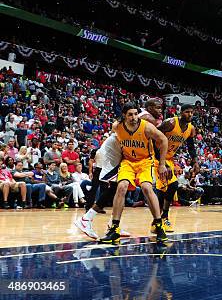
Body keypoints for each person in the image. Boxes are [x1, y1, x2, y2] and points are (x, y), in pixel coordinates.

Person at [76, 100, 163, 239]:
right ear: (150, 108)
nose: (160, 111)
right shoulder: (146, 118)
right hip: (114, 151)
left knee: (119, 188)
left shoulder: (133, 118)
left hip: (120, 150)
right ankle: (86, 219)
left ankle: (112, 224)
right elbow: (157, 140)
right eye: (158, 107)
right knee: (114, 188)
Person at [98, 102, 169, 244]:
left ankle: (159, 224)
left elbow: (164, 139)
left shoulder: (147, 127)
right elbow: (112, 142)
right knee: (122, 186)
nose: (134, 117)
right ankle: (115, 228)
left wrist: (162, 164)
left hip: (145, 161)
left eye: (136, 114)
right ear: (124, 115)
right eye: (130, 114)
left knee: (146, 187)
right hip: (128, 162)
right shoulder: (117, 127)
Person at [153, 103, 197, 233]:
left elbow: (191, 146)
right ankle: (161, 219)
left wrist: (195, 161)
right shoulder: (170, 123)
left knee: (169, 187)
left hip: (169, 159)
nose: (190, 115)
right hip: (156, 157)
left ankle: (159, 220)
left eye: (192, 112)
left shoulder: (190, 129)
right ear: (181, 112)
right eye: (187, 112)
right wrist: (161, 162)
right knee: (171, 186)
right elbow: (152, 138)